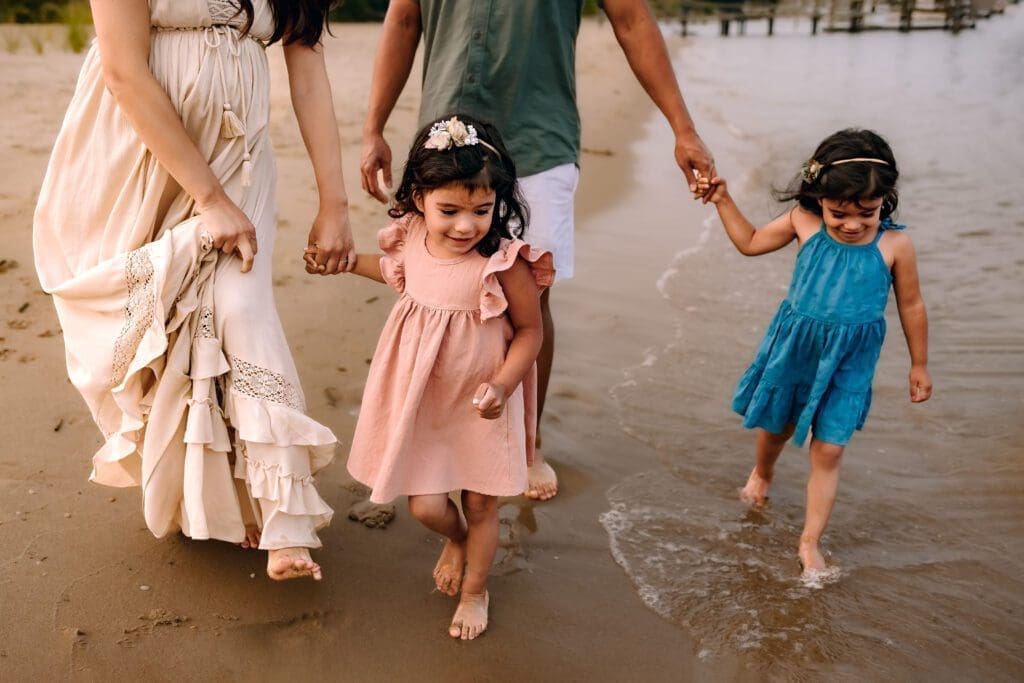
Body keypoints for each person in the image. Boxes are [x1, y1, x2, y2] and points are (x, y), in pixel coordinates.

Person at [32, 0, 356, 581]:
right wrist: (207, 199)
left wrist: (334, 200)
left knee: (240, 308)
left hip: (240, 161)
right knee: (174, 321)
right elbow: (123, 70)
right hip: (140, 162)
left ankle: (283, 516)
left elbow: (307, 65)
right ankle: (213, 498)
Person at [360, 0, 715, 501]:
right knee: (436, 289)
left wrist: (683, 128)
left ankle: (528, 443)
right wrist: (374, 128)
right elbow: (403, 19)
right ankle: (438, 438)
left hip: (538, 145)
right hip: (447, 147)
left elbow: (632, 18)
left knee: (528, 298)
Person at [338, 115, 551, 639]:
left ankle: (476, 591)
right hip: (424, 396)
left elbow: (530, 332)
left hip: (483, 399)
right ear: (418, 198)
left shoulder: (504, 263)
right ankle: (454, 539)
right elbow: (394, 274)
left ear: (498, 201)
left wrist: (503, 385)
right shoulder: (411, 237)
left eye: (482, 210)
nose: (465, 225)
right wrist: (343, 262)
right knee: (428, 505)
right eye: (449, 211)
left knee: (481, 502)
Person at [694, 129, 932, 575]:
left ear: (886, 200)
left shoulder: (895, 246)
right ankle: (763, 471)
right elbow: (748, 243)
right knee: (778, 422)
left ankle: (809, 543)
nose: (853, 224)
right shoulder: (803, 223)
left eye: (868, 212)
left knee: (830, 450)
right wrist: (722, 199)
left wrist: (919, 364)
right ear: (817, 196)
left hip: (851, 360)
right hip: (798, 346)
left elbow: (911, 305)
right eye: (839, 212)